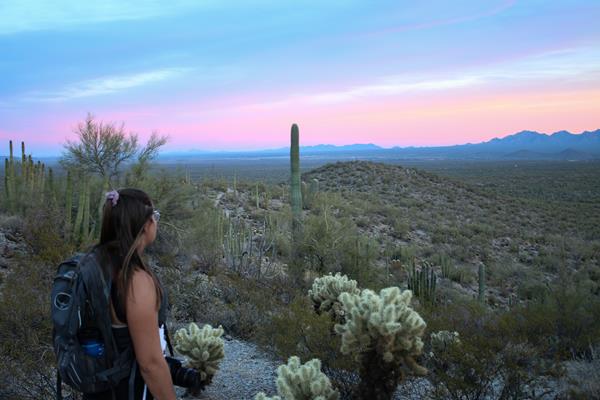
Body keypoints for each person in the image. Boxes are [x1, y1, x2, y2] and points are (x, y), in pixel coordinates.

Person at [83, 188, 177, 400]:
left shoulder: (96, 262)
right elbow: (150, 364)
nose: (156, 221)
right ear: (145, 225)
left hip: (98, 387)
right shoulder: (136, 281)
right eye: (154, 216)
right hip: (128, 390)